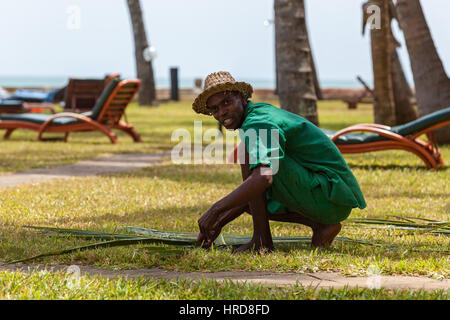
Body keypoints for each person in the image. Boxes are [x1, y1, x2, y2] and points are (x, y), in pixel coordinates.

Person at [192, 71, 366, 253]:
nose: (222, 112)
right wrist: (219, 221)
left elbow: (263, 178)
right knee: (251, 193)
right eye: (215, 109)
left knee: (251, 160)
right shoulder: (257, 114)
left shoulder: (258, 122)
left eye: (226, 102)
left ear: (241, 97)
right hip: (331, 197)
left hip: (330, 192)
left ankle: (262, 241)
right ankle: (320, 225)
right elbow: (252, 195)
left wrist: (214, 211)